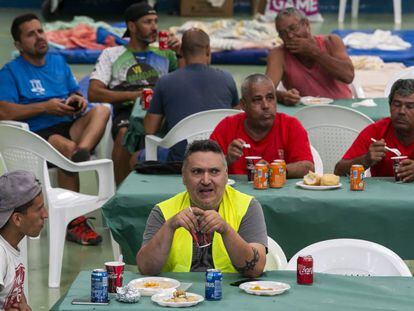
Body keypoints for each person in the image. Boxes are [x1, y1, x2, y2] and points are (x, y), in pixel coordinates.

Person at [0, 13, 109, 245]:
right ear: (18, 44)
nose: (39, 37)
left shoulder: (58, 62)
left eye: (40, 31)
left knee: (101, 111)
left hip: (67, 123)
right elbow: (4, 112)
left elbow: (74, 91)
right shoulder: (10, 72)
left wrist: (76, 99)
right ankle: (75, 223)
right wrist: (45, 107)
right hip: (35, 135)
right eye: (31, 34)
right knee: (63, 145)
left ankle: (83, 150)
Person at [136, 140, 267, 277]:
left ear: (226, 176)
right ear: (184, 177)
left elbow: (255, 269)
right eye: (197, 172)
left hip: (232, 292)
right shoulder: (163, 211)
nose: (205, 180)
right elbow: (146, 269)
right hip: (175, 294)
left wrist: (226, 230)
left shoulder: (247, 206)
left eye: (214, 171)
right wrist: (170, 226)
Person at [88, 2, 181, 185]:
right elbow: (94, 92)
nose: (154, 27)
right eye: (147, 22)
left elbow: (186, 81)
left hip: (160, 113)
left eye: (155, 21)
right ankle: (121, 193)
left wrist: (180, 53)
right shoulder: (112, 54)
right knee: (124, 133)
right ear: (131, 26)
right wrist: (135, 96)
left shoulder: (166, 55)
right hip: (128, 112)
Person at [133, 27, 239, 165]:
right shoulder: (227, 78)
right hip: (220, 157)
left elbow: (150, 129)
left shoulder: (165, 82)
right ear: (208, 50)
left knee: (134, 158)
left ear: (181, 52)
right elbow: (237, 118)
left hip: (179, 160)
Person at [210, 73, 314, 177]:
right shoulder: (227, 126)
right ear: (243, 105)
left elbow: (308, 167)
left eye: (270, 98)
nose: (266, 105)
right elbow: (205, 166)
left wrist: (275, 170)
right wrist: (227, 160)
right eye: (257, 100)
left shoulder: (290, 125)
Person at [265, 7, 354, 106]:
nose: (290, 36)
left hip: (342, 111)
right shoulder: (279, 54)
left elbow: (348, 76)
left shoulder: (331, 42)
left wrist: (314, 52)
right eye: (283, 33)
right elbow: (265, 91)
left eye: (293, 28)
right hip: (305, 114)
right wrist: (282, 96)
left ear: (306, 24)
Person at [335, 79, 414, 182]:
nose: (402, 111)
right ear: (389, 106)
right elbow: (338, 171)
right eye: (397, 104)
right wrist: (365, 160)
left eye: (410, 106)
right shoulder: (376, 131)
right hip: (382, 195)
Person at [0, 170, 48, 311]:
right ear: (17, 219)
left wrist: (23, 304)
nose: (45, 214)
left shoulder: (11, 246)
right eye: (39, 209)